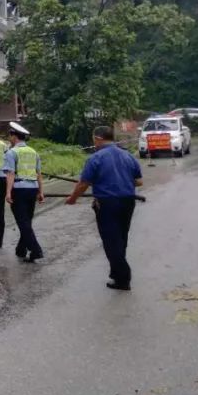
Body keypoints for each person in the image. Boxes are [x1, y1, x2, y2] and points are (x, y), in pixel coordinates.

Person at [66, 125, 143, 291]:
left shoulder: (96, 158)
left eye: (94, 138)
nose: (93, 142)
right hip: (128, 202)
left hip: (107, 203)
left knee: (110, 241)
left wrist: (72, 198)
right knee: (121, 238)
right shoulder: (127, 155)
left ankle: (123, 278)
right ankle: (116, 274)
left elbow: (83, 183)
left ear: (99, 138)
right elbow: (139, 181)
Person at [4, 122, 45, 262]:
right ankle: (21, 249)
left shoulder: (12, 152)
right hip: (32, 189)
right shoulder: (34, 152)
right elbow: (39, 174)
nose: (9, 138)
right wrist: (41, 192)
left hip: (19, 189)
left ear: (14, 136)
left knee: (23, 222)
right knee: (27, 220)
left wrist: (8, 193)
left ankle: (36, 250)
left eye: (10, 135)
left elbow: (10, 173)